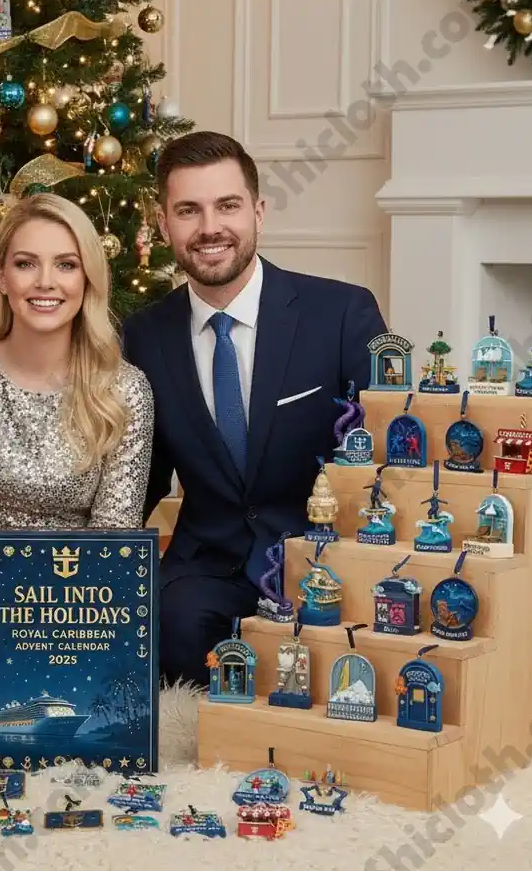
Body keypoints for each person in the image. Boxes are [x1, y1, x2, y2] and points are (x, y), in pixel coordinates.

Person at [122, 132, 388, 686]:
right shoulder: (143, 336)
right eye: (188, 210)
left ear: (258, 212)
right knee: (166, 646)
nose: (209, 227)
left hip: (323, 558)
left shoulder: (341, 313)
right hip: (206, 566)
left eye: (227, 206)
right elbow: (137, 476)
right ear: (164, 223)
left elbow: (383, 459)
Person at [0, 193, 154, 584]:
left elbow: (115, 536)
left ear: (86, 279)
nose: (45, 282)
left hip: (80, 599)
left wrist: (54, 607)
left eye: (66, 265)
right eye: (26, 264)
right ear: (1, 276)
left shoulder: (124, 389)